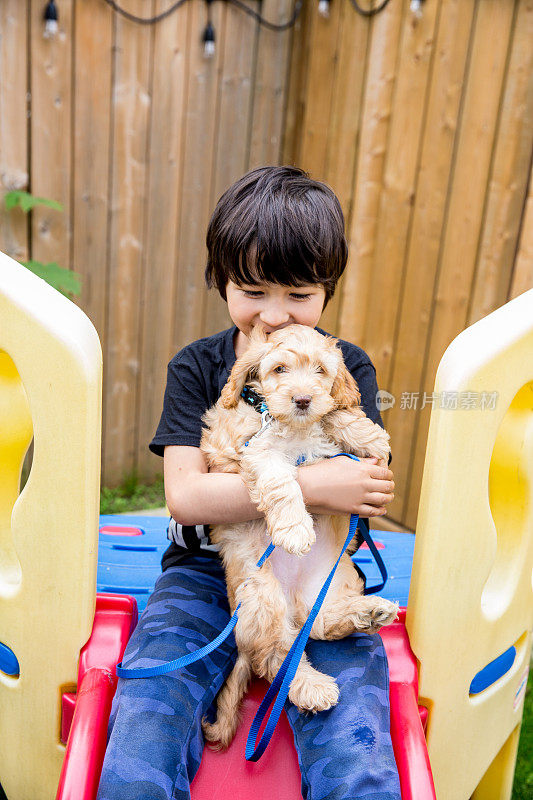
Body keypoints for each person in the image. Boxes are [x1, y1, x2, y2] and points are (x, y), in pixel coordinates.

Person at [96, 165, 401, 800]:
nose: (274, 314)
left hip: (322, 573)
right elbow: (186, 497)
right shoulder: (198, 367)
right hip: (205, 570)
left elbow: (369, 483)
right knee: (148, 708)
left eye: (299, 294)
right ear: (222, 281)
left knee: (357, 736)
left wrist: (337, 483)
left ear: (327, 292)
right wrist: (315, 484)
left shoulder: (343, 367)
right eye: (255, 290)